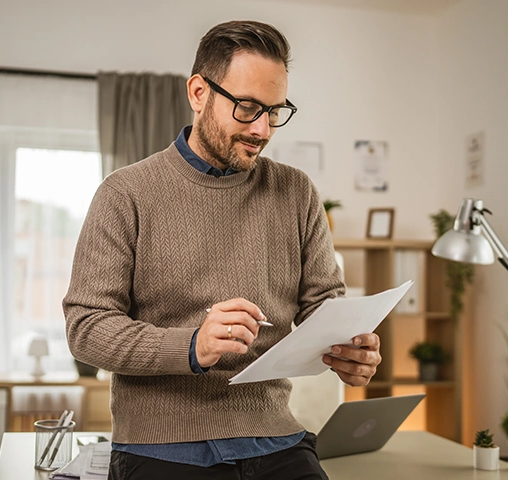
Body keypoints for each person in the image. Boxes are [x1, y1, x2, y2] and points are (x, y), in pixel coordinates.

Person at [63, 20, 382, 480]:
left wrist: (350, 349)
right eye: (248, 107)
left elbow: (322, 307)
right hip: (162, 447)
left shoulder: (295, 192)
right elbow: (87, 327)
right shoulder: (125, 194)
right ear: (199, 92)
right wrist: (191, 344)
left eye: (275, 111)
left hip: (276, 439)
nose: (263, 129)